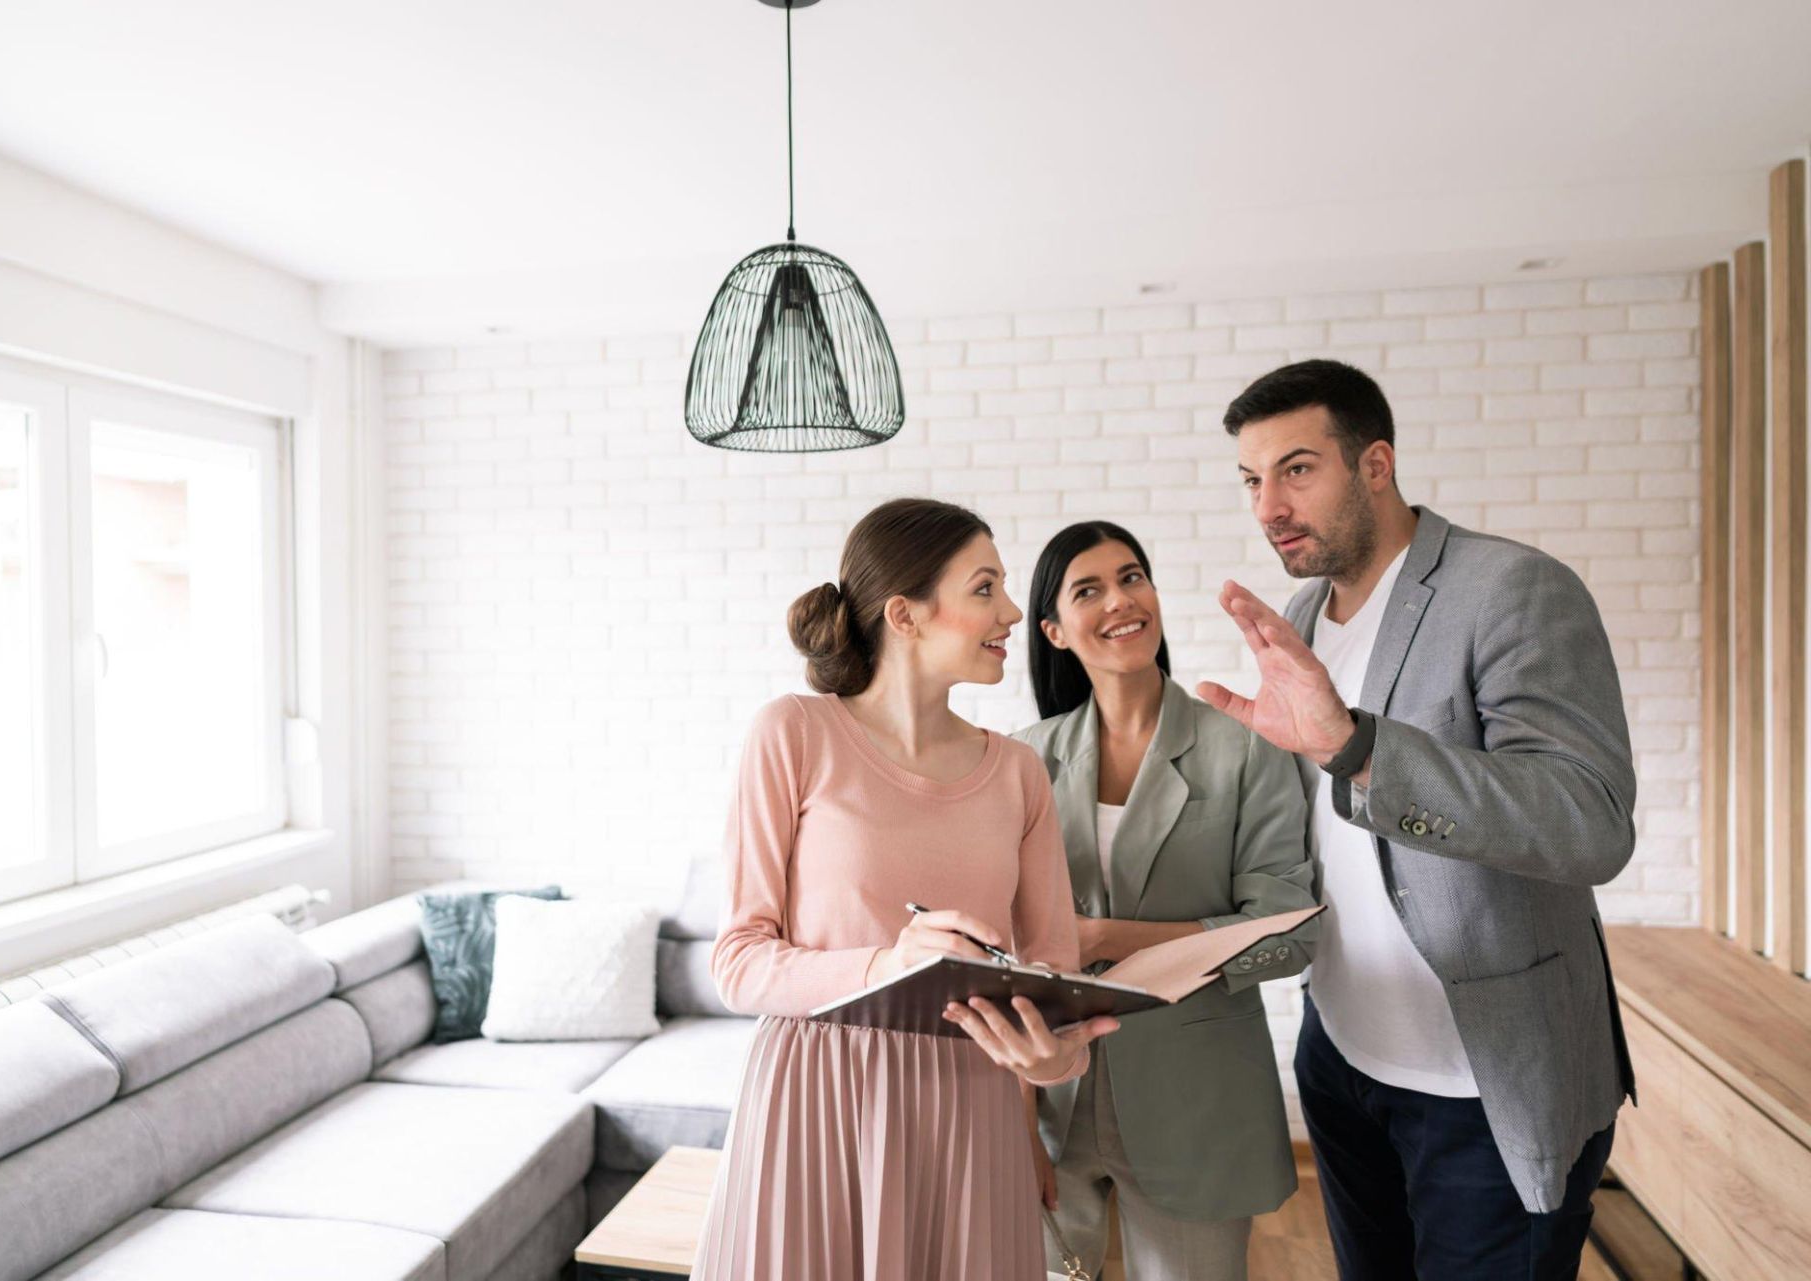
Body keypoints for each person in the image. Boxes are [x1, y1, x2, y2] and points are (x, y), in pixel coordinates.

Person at [1196, 359, 1637, 1280]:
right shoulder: (1303, 613)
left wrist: (1359, 748)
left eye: (1297, 469)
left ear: (1376, 464)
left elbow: (1589, 821)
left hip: (1487, 1082)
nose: (1268, 504)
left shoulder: (1511, 589)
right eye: (1252, 479)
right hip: (1345, 1053)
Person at [691, 497, 1120, 1281]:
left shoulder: (1020, 773)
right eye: (985, 587)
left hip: (971, 1117)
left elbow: (1054, 981)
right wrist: (886, 964)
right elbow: (739, 959)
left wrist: (1054, 1059)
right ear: (906, 614)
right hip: (817, 1102)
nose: (1012, 611)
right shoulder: (793, 733)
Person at [1012, 520, 1318, 1281]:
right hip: (1053, 1098)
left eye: (1132, 576)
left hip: (1198, 1105)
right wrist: (1017, 1127)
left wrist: (1106, 935)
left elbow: (1288, 934)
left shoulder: (1247, 746)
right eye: (1089, 589)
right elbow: (1008, 957)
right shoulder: (1023, 759)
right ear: (1053, 629)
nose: (1121, 599)